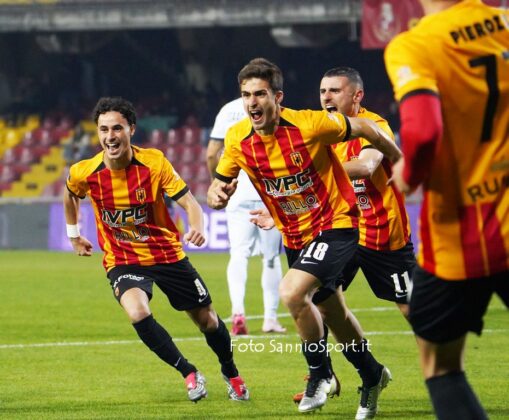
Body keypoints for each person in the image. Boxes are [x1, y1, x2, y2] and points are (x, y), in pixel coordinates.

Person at [208, 58, 402, 415]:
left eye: (260, 94)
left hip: (336, 224)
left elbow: (368, 128)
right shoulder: (237, 139)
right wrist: (217, 195)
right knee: (334, 313)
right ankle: (371, 373)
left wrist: (400, 160)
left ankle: (320, 374)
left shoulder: (311, 124)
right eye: (246, 95)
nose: (252, 102)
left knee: (292, 292)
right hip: (295, 236)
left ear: (277, 97)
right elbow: (218, 184)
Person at [63, 96, 249, 403]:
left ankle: (231, 372)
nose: (110, 136)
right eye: (104, 129)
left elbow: (189, 202)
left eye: (117, 128)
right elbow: (70, 193)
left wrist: (197, 226)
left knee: (208, 321)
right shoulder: (85, 171)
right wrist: (74, 235)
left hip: (166, 254)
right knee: (137, 312)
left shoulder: (154, 163)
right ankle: (188, 372)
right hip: (123, 259)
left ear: (131, 129)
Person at [259, 66, 415, 417]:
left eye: (334, 90)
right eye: (322, 91)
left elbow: (366, 166)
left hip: (381, 233)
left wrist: (308, 176)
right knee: (318, 301)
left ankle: (445, 375)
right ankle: (326, 375)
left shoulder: (374, 125)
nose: (326, 97)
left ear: (356, 96)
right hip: (340, 227)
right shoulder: (320, 130)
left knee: (414, 312)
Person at [384, 1, 509, 419]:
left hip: (460, 237)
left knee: (440, 365)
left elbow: (423, 132)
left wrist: (408, 174)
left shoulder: (416, 44)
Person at [206, 97, 286, 335]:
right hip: (269, 192)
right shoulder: (275, 108)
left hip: (237, 193)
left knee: (238, 254)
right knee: (271, 258)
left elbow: (211, 154)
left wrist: (218, 184)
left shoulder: (228, 110)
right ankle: (270, 319)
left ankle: (238, 313)